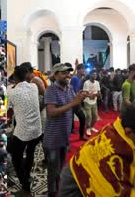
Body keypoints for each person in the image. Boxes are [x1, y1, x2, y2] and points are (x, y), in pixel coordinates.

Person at [59, 102, 135, 197]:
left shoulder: (116, 128)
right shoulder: (119, 152)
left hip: (73, 173)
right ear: (129, 133)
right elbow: (112, 191)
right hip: (75, 188)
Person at [43, 63, 87, 197]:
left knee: (60, 167)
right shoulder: (50, 90)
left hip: (64, 136)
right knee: (53, 170)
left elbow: (73, 105)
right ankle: (52, 193)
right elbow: (51, 112)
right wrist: (73, 103)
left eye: (68, 73)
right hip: (53, 137)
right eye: (63, 73)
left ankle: (58, 189)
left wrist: (80, 98)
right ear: (56, 75)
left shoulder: (70, 88)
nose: (68, 75)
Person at [8, 65, 42, 196]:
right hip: (37, 131)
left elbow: (8, 107)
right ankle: (27, 174)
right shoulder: (33, 87)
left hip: (23, 133)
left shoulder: (11, 92)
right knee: (30, 153)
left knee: (16, 159)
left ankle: (26, 188)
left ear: (15, 79)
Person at [70, 63, 87, 141]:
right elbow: (71, 90)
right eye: (83, 69)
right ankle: (67, 144)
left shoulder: (80, 79)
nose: (84, 70)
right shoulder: (75, 79)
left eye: (84, 69)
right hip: (71, 102)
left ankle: (81, 136)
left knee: (83, 118)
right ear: (79, 70)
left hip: (76, 102)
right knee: (69, 122)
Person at [83, 70, 101, 136]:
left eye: (96, 74)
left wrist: (99, 94)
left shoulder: (97, 83)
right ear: (90, 75)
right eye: (93, 74)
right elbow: (86, 93)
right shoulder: (86, 83)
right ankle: (88, 128)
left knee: (95, 116)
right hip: (87, 102)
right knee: (88, 116)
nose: (95, 75)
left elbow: (98, 91)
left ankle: (91, 127)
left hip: (94, 102)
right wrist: (93, 95)